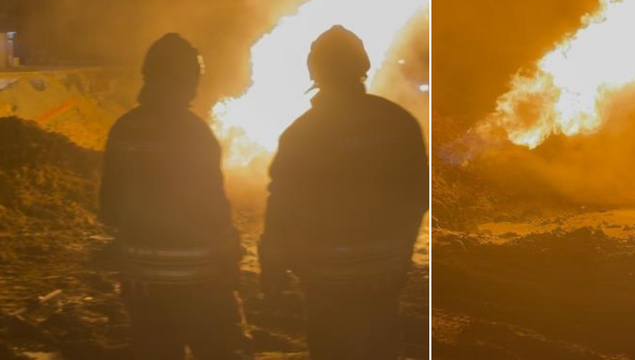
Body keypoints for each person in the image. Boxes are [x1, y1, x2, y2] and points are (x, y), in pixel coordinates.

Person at [259, 25, 428, 360]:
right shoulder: (398, 122)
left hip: (325, 280)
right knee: (381, 346)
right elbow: (419, 193)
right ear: (361, 66)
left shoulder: (302, 133)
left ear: (315, 70)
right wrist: (399, 250)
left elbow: (282, 208)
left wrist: (273, 270)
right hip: (385, 274)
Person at [100, 33, 251, 360]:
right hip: (198, 282)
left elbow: (109, 208)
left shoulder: (124, 129)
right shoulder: (192, 132)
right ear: (186, 79)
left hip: (140, 282)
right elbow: (212, 208)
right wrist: (230, 255)